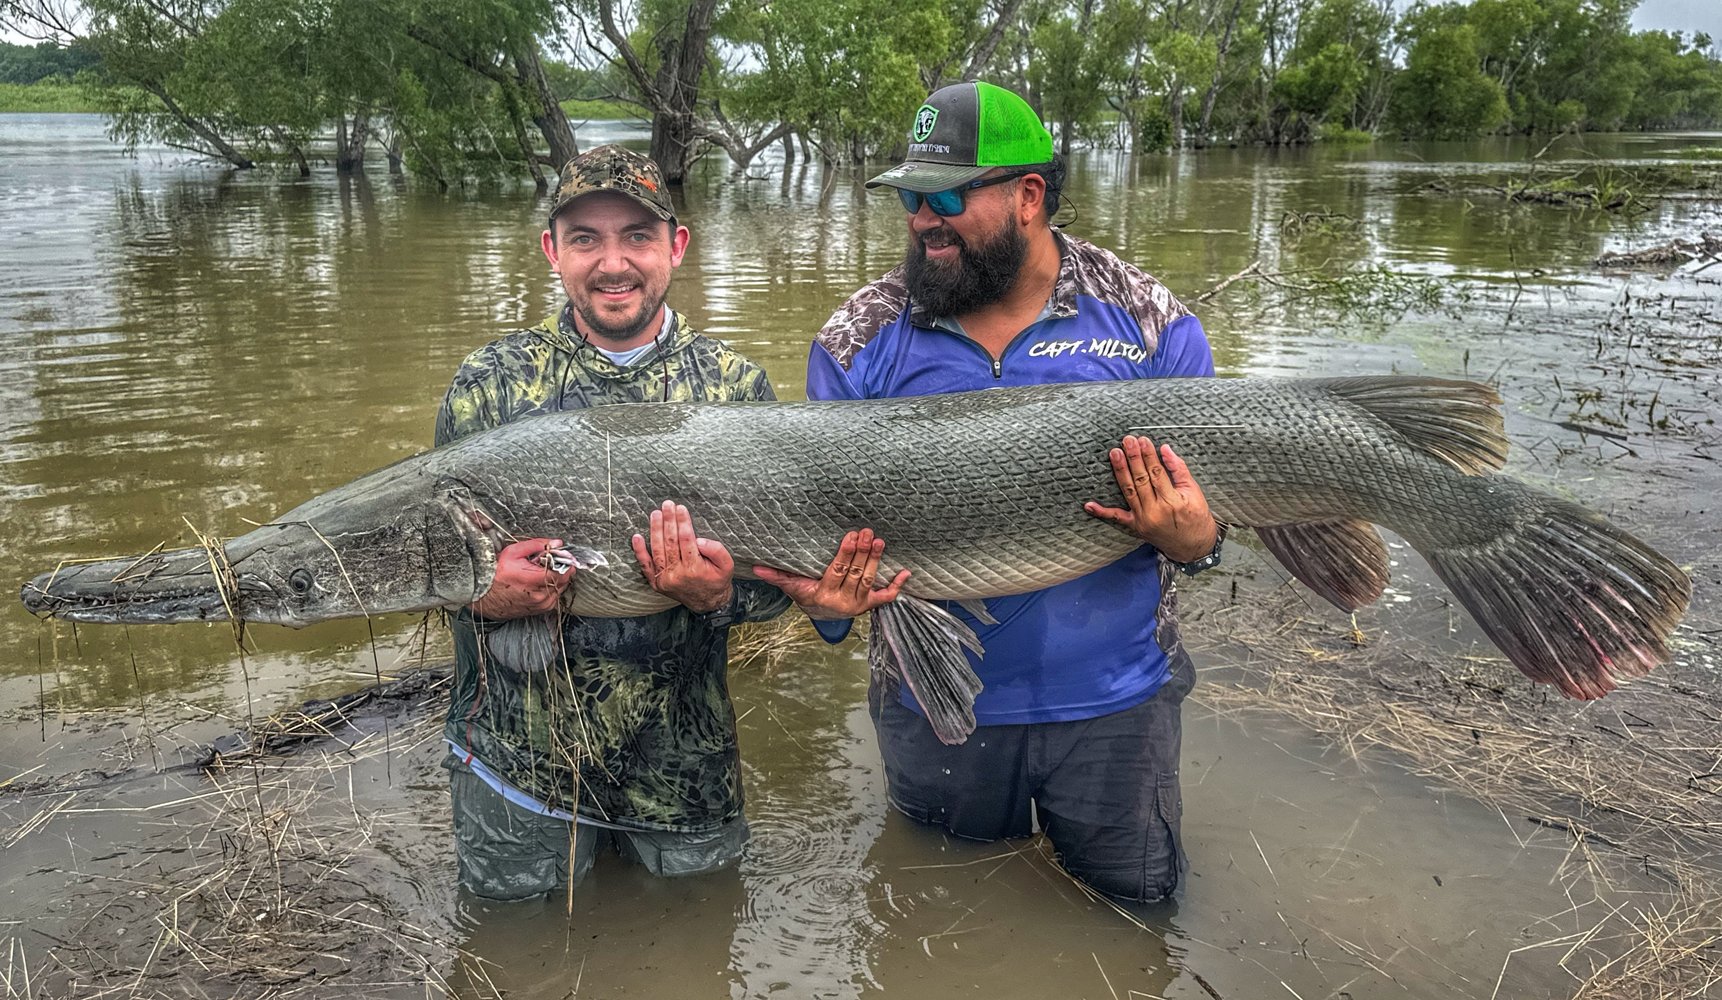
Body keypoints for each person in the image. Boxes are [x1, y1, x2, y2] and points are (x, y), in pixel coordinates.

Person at [783, 81, 1224, 903]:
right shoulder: (858, 339)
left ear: (1028, 196)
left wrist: (1195, 540)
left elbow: (1212, 526)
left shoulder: (1148, 320)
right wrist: (828, 606)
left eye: (945, 195)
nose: (921, 220)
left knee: (1133, 921)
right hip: (930, 705)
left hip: (1117, 705)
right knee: (940, 918)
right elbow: (819, 541)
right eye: (911, 199)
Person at [435, 145, 903, 902]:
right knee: (512, 952)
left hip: (684, 770)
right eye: (585, 237)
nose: (612, 262)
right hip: (515, 766)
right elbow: (426, 561)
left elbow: (778, 584)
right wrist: (479, 592)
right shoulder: (486, 386)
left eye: (637, 236)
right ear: (552, 250)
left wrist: (716, 596)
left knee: (696, 946)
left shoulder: (738, 388)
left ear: (675, 247)